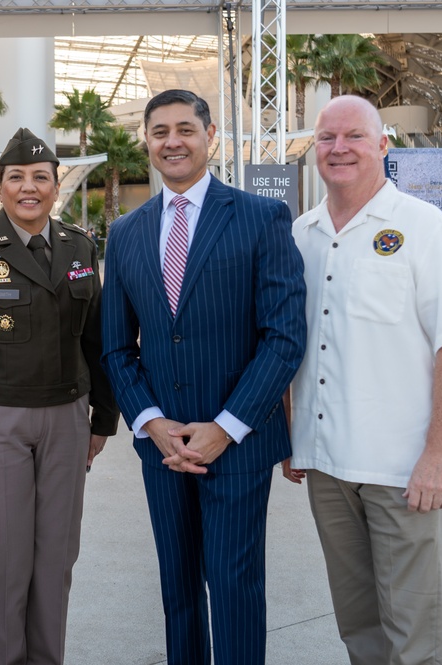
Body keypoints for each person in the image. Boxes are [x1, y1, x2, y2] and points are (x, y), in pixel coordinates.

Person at [283, 95, 442, 665]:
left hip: (402, 472)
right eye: (327, 138)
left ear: (382, 145)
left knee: (413, 638)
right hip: (325, 466)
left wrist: (440, 454)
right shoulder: (301, 235)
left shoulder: (424, 228)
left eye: (354, 136)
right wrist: (291, 433)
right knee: (360, 629)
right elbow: (290, 344)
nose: (339, 148)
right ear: (314, 152)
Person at [101, 89, 307, 665]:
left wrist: (226, 426)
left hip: (236, 448)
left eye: (185, 129)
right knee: (178, 591)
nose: (173, 141)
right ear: (147, 140)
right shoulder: (126, 233)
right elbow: (117, 348)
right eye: (160, 130)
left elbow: (284, 336)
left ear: (210, 137)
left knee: (236, 590)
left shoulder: (262, 217)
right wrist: (151, 422)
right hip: (162, 449)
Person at [0, 127, 119, 665]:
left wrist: (102, 420)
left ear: (56, 186)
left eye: (41, 177)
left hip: (66, 420)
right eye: (17, 178)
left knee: (57, 560)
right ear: (0, 185)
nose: (29, 187)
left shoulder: (79, 246)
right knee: (7, 563)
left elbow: (95, 338)